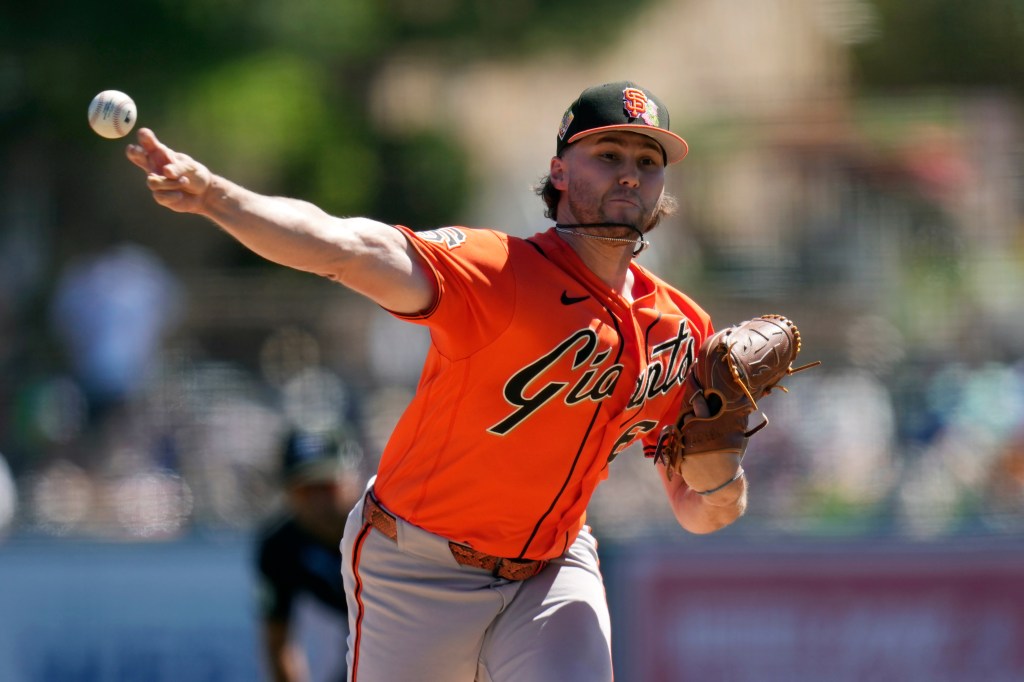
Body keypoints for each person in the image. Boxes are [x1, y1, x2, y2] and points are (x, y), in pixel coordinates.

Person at [128, 80, 749, 682]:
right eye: (607, 153)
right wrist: (215, 196)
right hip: (418, 567)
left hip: (550, 571)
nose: (630, 173)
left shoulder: (681, 329)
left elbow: (700, 511)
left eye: (649, 159)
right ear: (559, 171)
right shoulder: (494, 270)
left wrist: (727, 465)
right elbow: (346, 247)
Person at [255, 429, 363, 682]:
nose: (317, 500)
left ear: (351, 480)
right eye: (305, 489)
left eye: (326, 487)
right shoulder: (280, 548)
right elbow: (278, 642)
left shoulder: (385, 530)